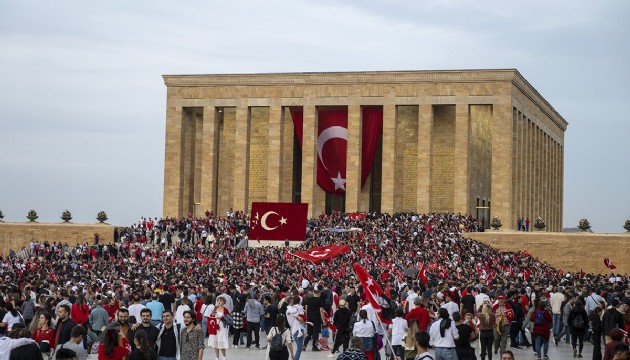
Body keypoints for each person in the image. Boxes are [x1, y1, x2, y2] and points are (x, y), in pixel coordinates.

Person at [286, 296, 306, 360]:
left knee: (298, 348)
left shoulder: (288, 309)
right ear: (291, 301)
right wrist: (303, 320)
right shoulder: (292, 309)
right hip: (298, 329)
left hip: (294, 330)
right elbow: (300, 319)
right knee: (299, 349)